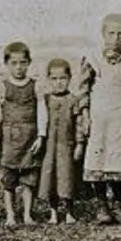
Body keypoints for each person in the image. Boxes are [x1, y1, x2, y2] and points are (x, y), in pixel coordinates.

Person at [78, 13, 121, 224]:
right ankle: (102, 205)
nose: (116, 38)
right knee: (99, 159)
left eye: (120, 34)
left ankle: (118, 204)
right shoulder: (92, 58)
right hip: (99, 116)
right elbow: (82, 89)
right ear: (103, 33)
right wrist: (84, 115)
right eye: (111, 33)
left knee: (120, 159)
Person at [0, 41, 47, 226]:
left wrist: (41, 136)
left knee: (29, 179)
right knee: (8, 179)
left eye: (22, 63)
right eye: (14, 63)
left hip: (29, 138)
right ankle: (10, 215)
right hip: (9, 139)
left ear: (29, 63)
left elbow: (41, 111)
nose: (18, 67)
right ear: (6, 64)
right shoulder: (3, 86)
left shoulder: (35, 86)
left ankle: (27, 215)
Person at [37, 58, 87, 224]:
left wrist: (79, 144)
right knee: (50, 178)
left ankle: (69, 212)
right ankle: (53, 212)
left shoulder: (73, 100)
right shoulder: (46, 100)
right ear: (48, 79)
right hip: (49, 148)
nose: (59, 82)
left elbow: (79, 124)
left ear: (69, 79)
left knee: (67, 178)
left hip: (67, 147)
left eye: (63, 78)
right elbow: (40, 122)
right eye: (54, 79)